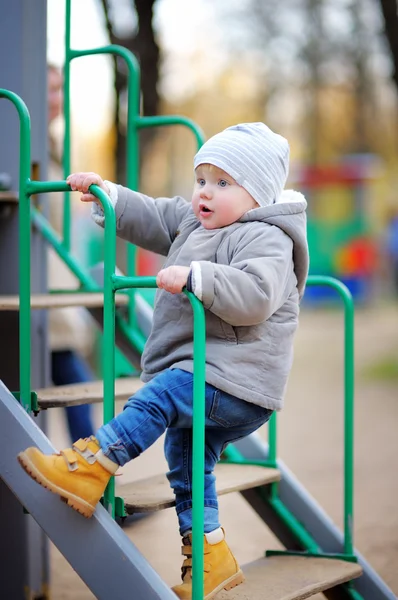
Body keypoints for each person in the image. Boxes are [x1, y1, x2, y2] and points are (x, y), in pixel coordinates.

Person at [18, 122, 309, 599]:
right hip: (210, 375)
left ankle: (93, 463)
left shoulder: (266, 237)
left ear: (257, 195)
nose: (204, 193)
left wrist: (197, 277)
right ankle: (210, 557)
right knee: (187, 461)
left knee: (161, 397)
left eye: (222, 183)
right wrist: (107, 196)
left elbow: (257, 295)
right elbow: (154, 215)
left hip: (237, 381)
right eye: (201, 180)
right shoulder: (196, 220)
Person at [47, 65, 96, 442]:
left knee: (71, 379)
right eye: (48, 89)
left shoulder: (50, 145)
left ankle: (87, 460)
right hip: (42, 281)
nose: (56, 98)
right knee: (69, 375)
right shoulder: (24, 142)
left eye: (58, 89)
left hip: (54, 277)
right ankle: (88, 460)